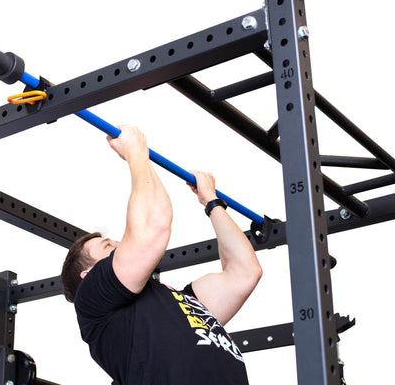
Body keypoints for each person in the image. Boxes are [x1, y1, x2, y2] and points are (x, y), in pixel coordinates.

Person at [60, 125, 262, 385]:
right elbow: (152, 228)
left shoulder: (179, 302)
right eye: (109, 247)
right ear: (89, 276)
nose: (123, 244)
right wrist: (135, 153)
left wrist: (212, 203)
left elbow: (244, 273)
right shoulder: (93, 304)